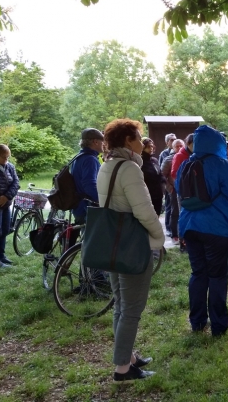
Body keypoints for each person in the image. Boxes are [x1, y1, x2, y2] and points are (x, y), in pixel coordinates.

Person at [97, 119, 164, 382]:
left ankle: (128, 356)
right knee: (131, 309)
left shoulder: (108, 165)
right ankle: (123, 368)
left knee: (121, 305)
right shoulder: (129, 169)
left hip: (112, 243)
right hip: (131, 247)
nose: (142, 141)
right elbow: (144, 211)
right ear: (128, 140)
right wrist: (158, 237)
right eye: (138, 137)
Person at [175, 126, 228, 336]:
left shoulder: (187, 163)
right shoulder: (221, 164)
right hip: (216, 227)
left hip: (189, 225)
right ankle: (219, 325)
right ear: (217, 143)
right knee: (217, 276)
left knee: (198, 274)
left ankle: (197, 322)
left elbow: (180, 188)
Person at [71, 128, 104, 225]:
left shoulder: (80, 156)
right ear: (95, 142)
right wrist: (102, 202)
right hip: (87, 209)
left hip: (79, 207)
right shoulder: (90, 159)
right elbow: (89, 185)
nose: (104, 144)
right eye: (102, 141)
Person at [162, 138, 184, 246]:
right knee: (175, 212)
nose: (179, 148)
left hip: (186, 190)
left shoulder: (187, 157)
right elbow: (162, 176)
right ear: (173, 147)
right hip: (174, 190)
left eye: (181, 146)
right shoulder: (168, 159)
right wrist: (170, 188)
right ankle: (174, 235)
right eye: (177, 146)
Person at [159, 133, 177, 236]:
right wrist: (167, 187)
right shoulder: (164, 154)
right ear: (167, 142)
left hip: (175, 186)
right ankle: (168, 228)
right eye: (171, 140)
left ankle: (173, 228)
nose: (173, 141)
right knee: (169, 207)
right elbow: (162, 172)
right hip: (169, 186)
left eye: (174, 139)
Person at [141, 138, 163, 216]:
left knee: (157, 216)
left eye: (152, 146)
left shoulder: (154, 160)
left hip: (158, 194)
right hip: (147, 195)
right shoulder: (140, 161)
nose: (151, 149)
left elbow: (159, 174)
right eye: (148, 147)